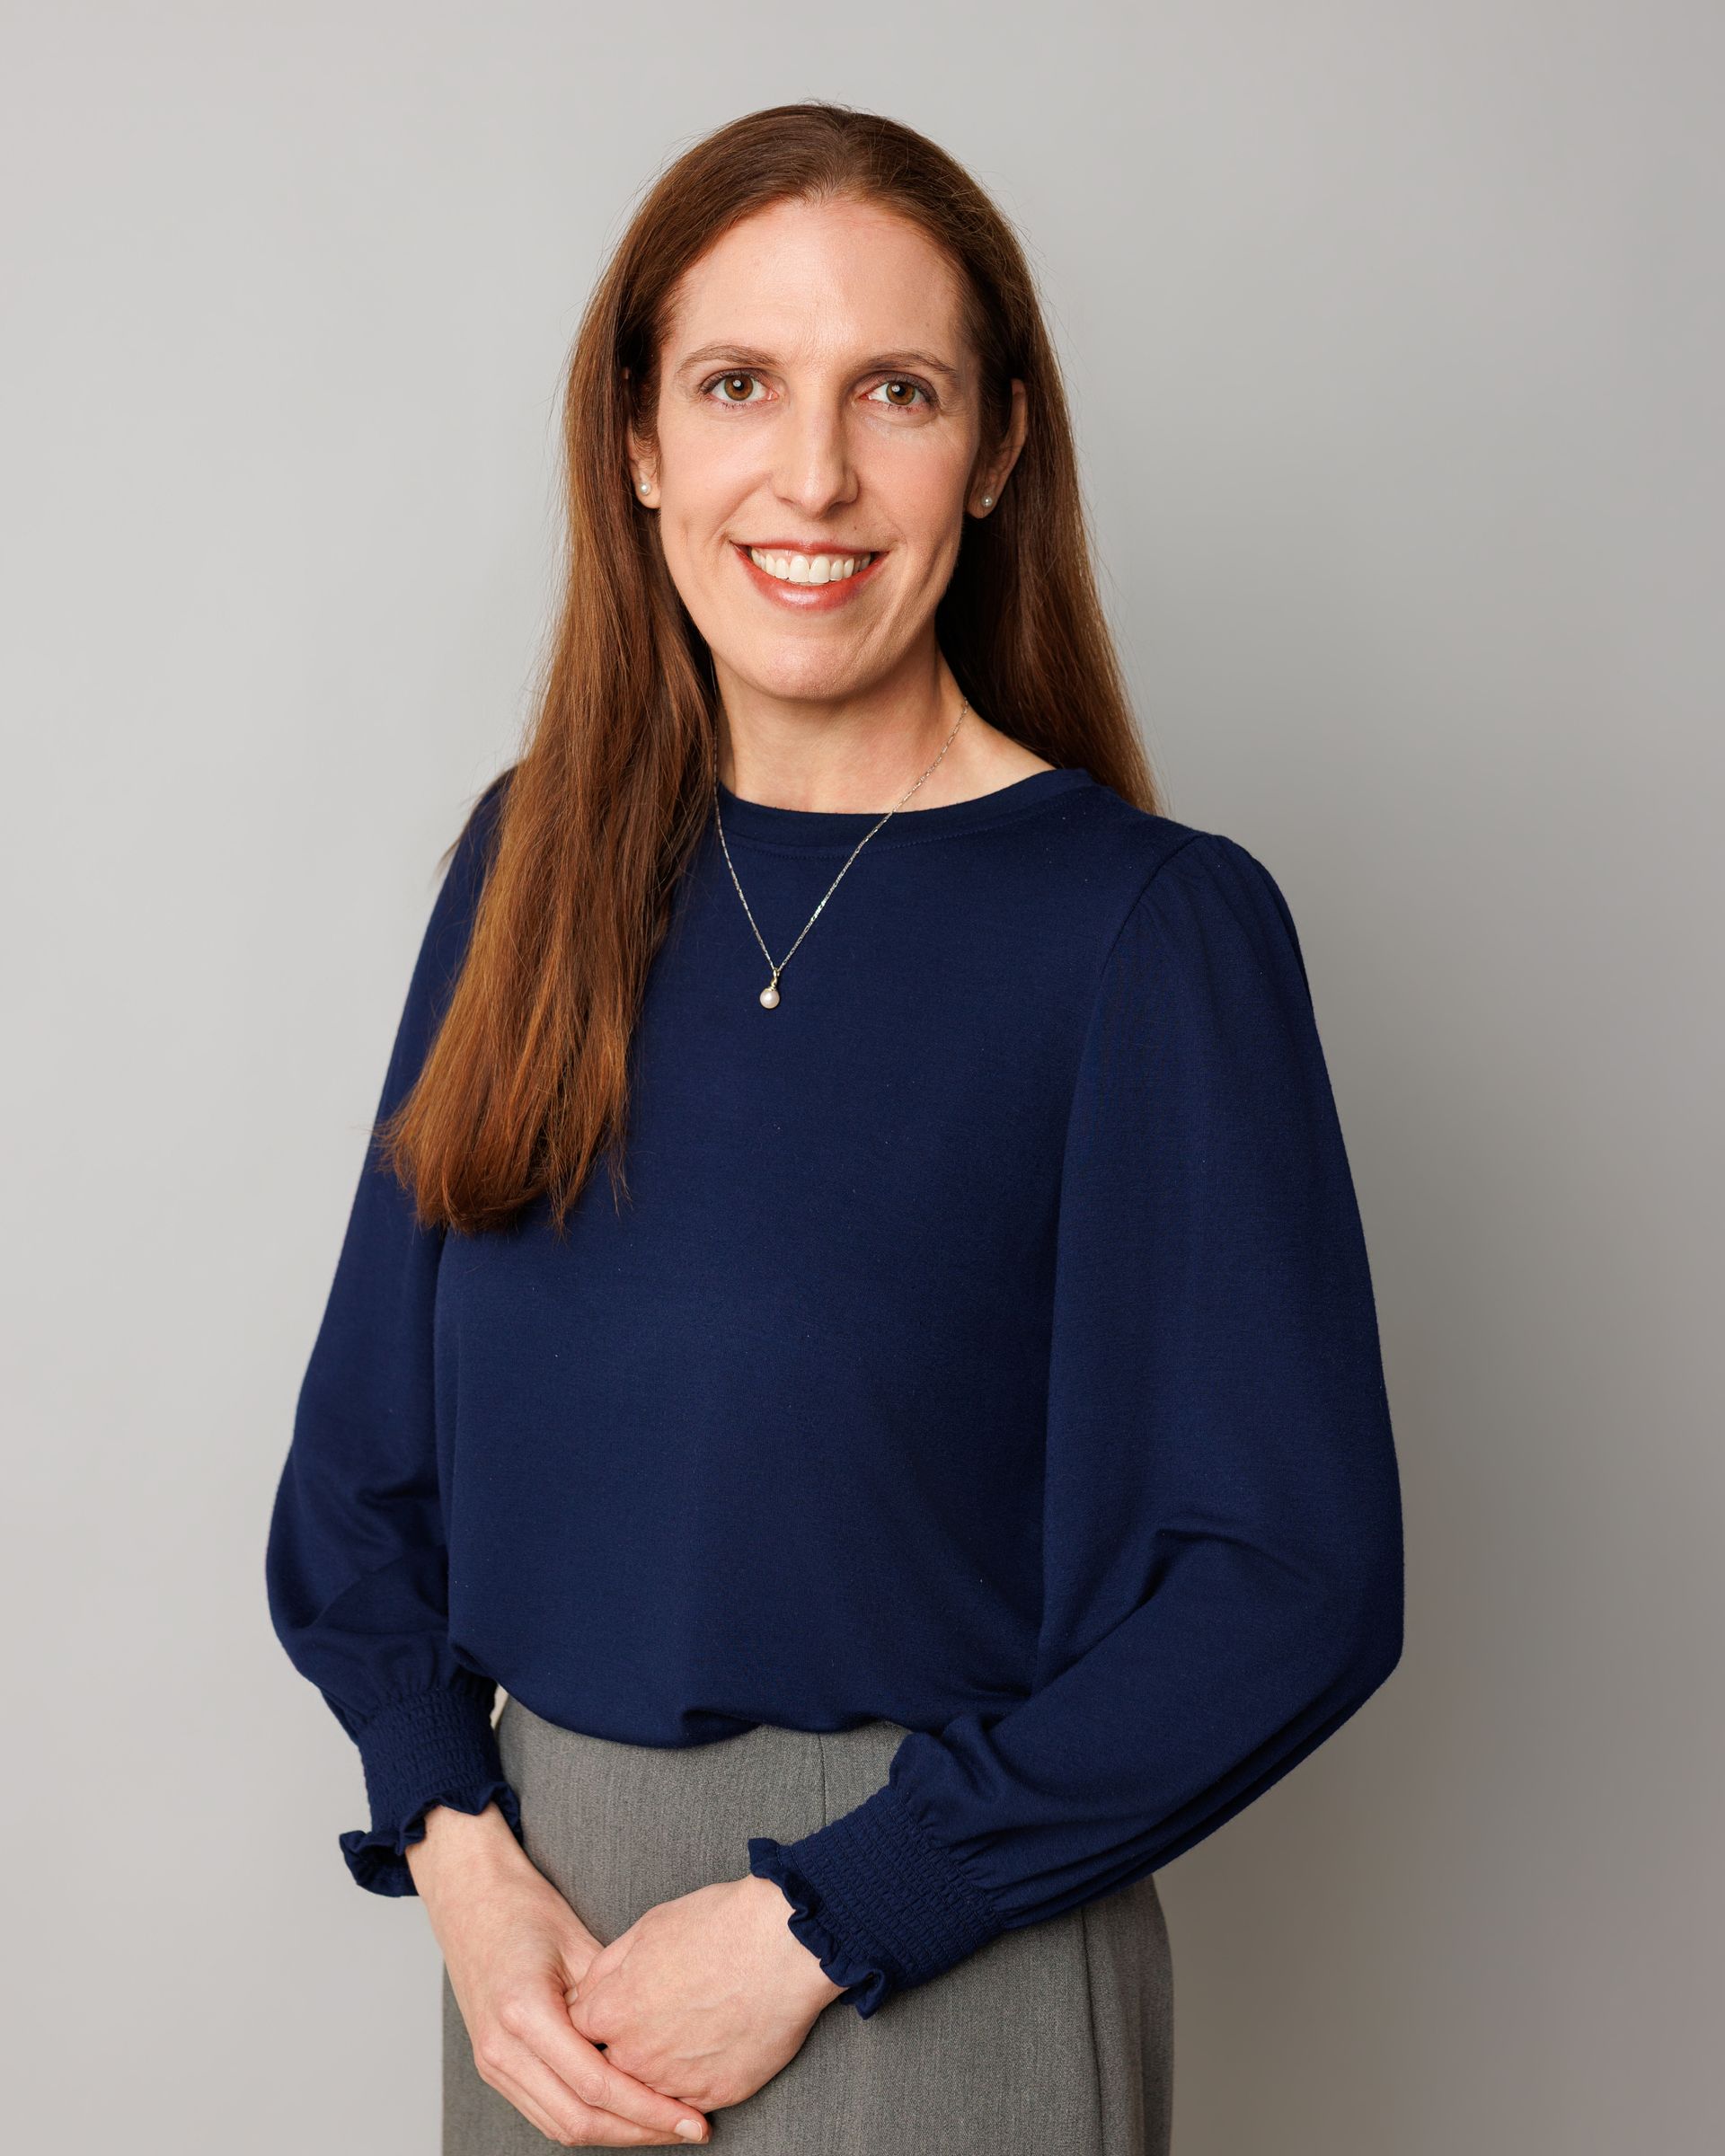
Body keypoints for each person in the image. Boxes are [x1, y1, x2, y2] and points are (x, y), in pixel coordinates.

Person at [264, 100, 1404, 2155]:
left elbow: (1294, 1580)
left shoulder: (1147, 934)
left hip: (932, 1950)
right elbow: (361, 1484)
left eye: (896, 392)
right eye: (737, 386)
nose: (811, 476)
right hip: (543, 1957)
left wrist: (823, 1918)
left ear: (999, 449)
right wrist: (453, 1842)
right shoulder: (528, 866)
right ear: (638, 443)